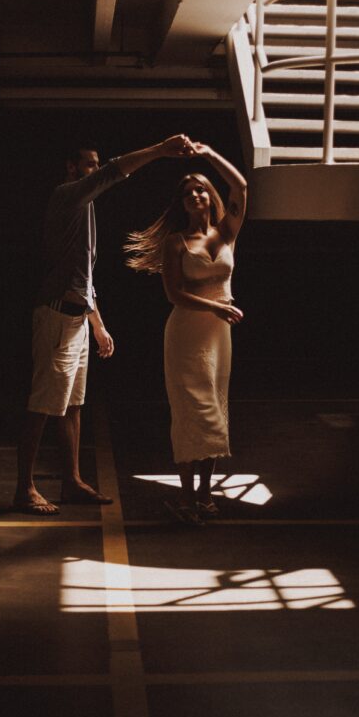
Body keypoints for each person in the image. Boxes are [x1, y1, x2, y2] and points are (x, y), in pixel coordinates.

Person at [13, 134, 195, 514]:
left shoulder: (88, 209)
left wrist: (97, 323)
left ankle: (72, 480)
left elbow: (84, 276)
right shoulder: (68, 195)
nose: (95, 170)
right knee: (43, 404)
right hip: (56, 316)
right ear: (72, 168)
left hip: (77, 318)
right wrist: (160, 150)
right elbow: (116, 171)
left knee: (74, 405)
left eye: (95, 164)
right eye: (89, 164)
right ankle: (25, 488)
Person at [125, 143, 247, 525]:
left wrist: (209, 154)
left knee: (214, 413)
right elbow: (174, 294)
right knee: (190, 413)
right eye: (187, 192)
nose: (194, 195)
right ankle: (186, 497)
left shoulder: (227, 232)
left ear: (210, 197)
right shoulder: (176, 242)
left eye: (200, 189)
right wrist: (217, 307)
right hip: (186, 335)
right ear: (182, 203)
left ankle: (204, 496)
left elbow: (241, 187)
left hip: (218, 339)